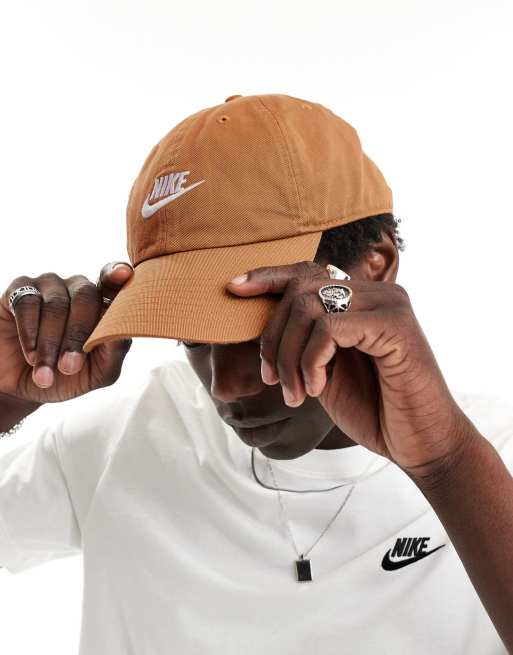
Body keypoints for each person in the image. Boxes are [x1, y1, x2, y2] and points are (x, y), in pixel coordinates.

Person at [1, 93, 512, 655]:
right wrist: (4, 396)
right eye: (193, 333)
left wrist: (444, 461)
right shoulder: (131, 436)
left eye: (259, 322)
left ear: (376, 264)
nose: (226, 386)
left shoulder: (496, 454)